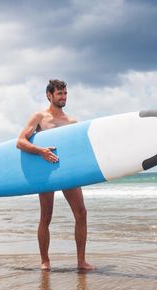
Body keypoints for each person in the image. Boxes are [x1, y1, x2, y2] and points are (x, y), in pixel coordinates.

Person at [17, 79, 93, 270]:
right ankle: (45, 261)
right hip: (46, 172)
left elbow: (79, 149)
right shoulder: (40, 118)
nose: (63, 97)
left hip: (68, 172)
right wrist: (41, 151)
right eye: (59, 94)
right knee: (46, 216)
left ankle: (81, 261)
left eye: (65, 93)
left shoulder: (72, 123)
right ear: (49, 95)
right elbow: (20, 142)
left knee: (81, 214)